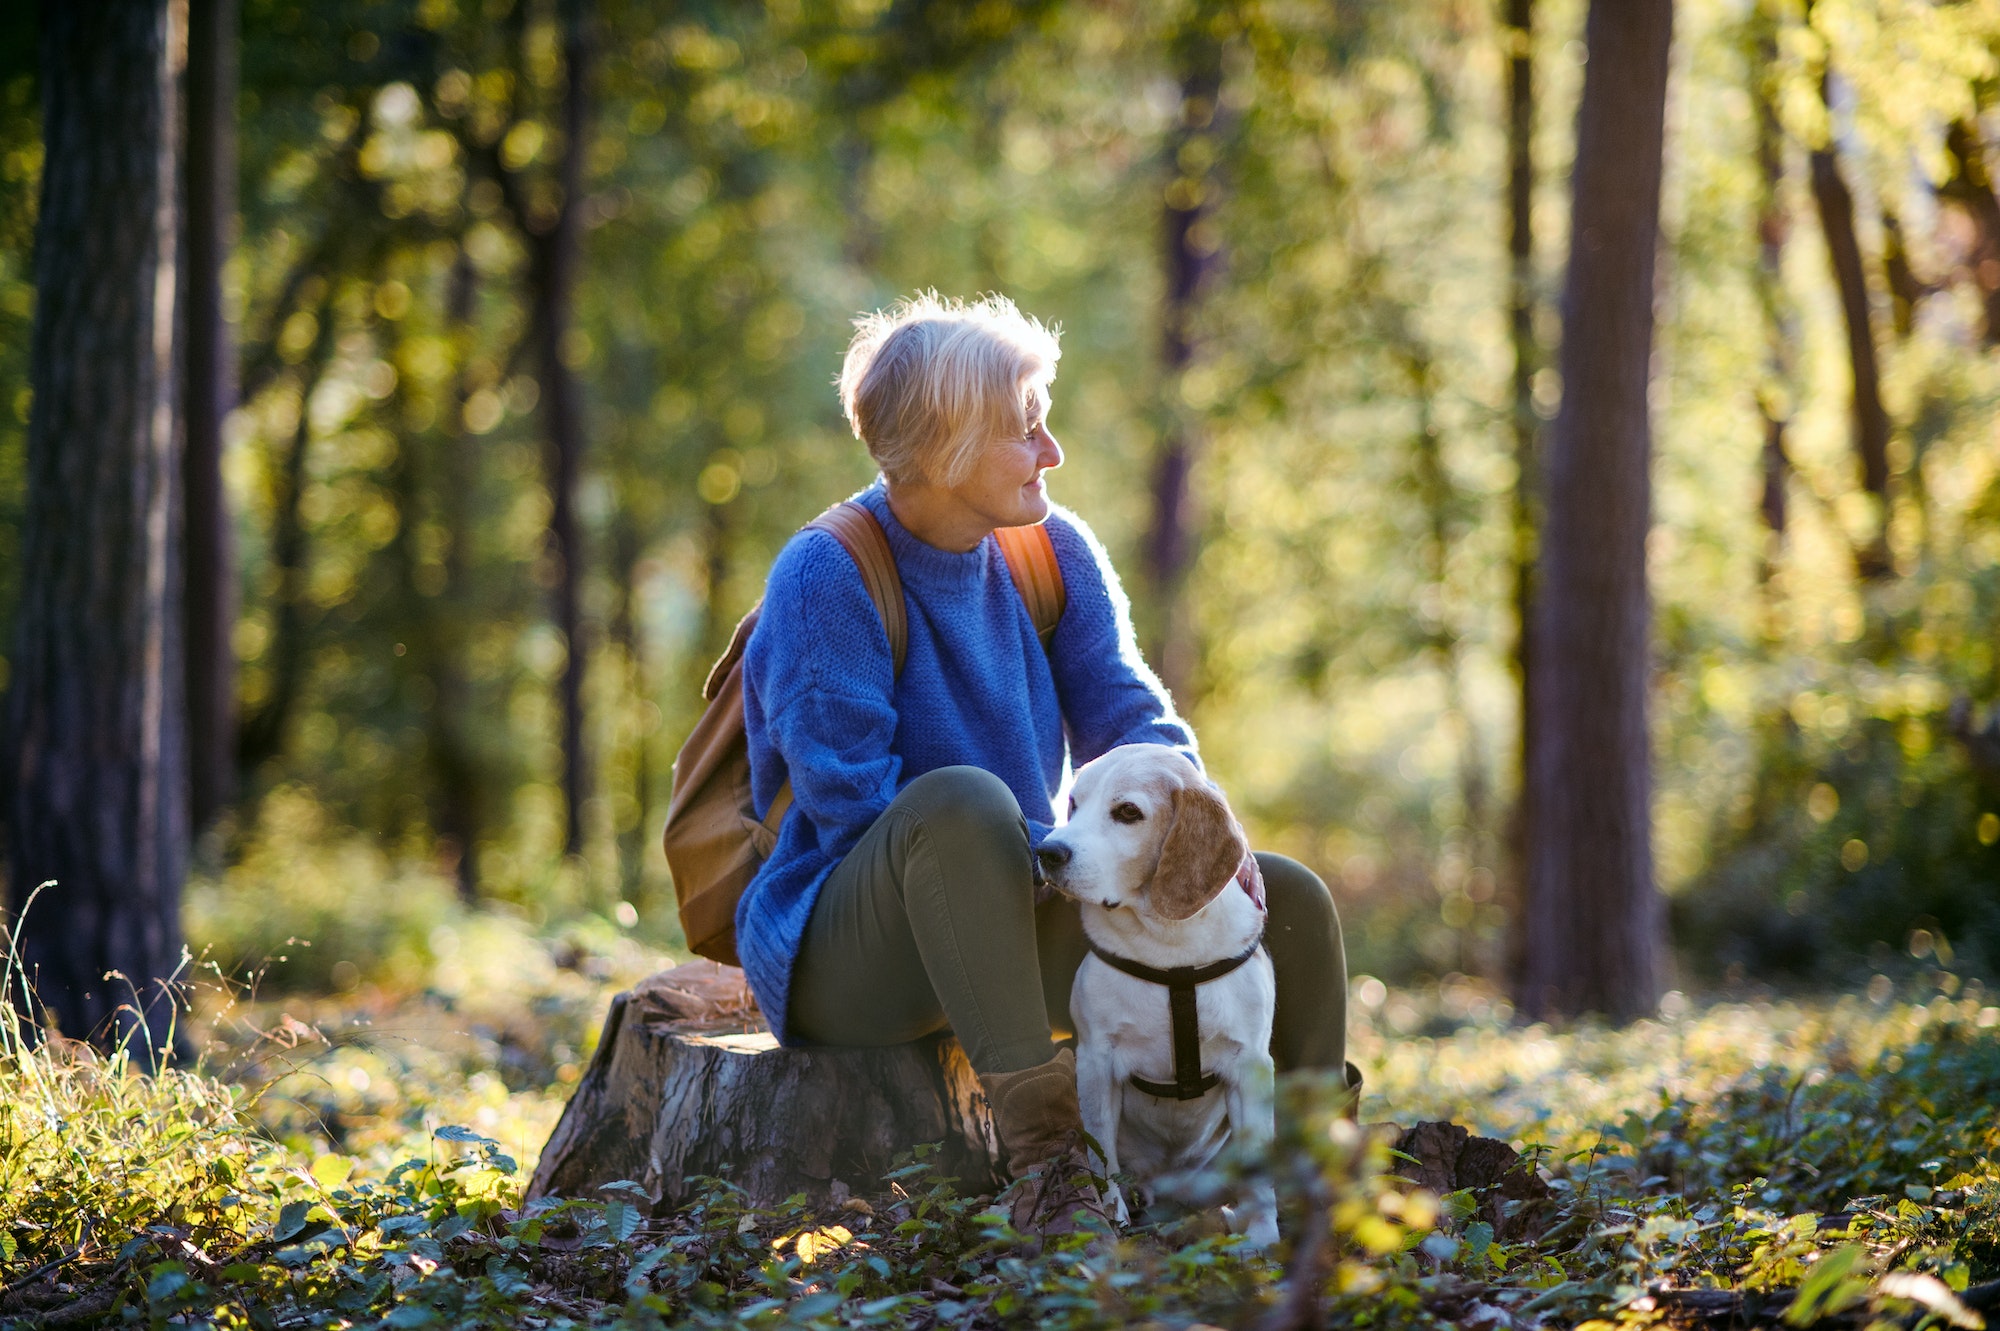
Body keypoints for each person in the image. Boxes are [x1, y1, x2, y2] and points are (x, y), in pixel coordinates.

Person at [736, 292, 1352, 1235]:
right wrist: (1053, 850)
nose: (1052, 451)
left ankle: (1308, 1182)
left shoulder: (1052, 551)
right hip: (857, 950)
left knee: (1289, 897)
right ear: (946, 444)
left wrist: (1202, 838)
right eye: (1027, 430)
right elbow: (852, 803)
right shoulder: (828, 573)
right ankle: (1053, 1171)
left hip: (1021, 901)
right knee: (962, 804)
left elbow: (1137, 721)